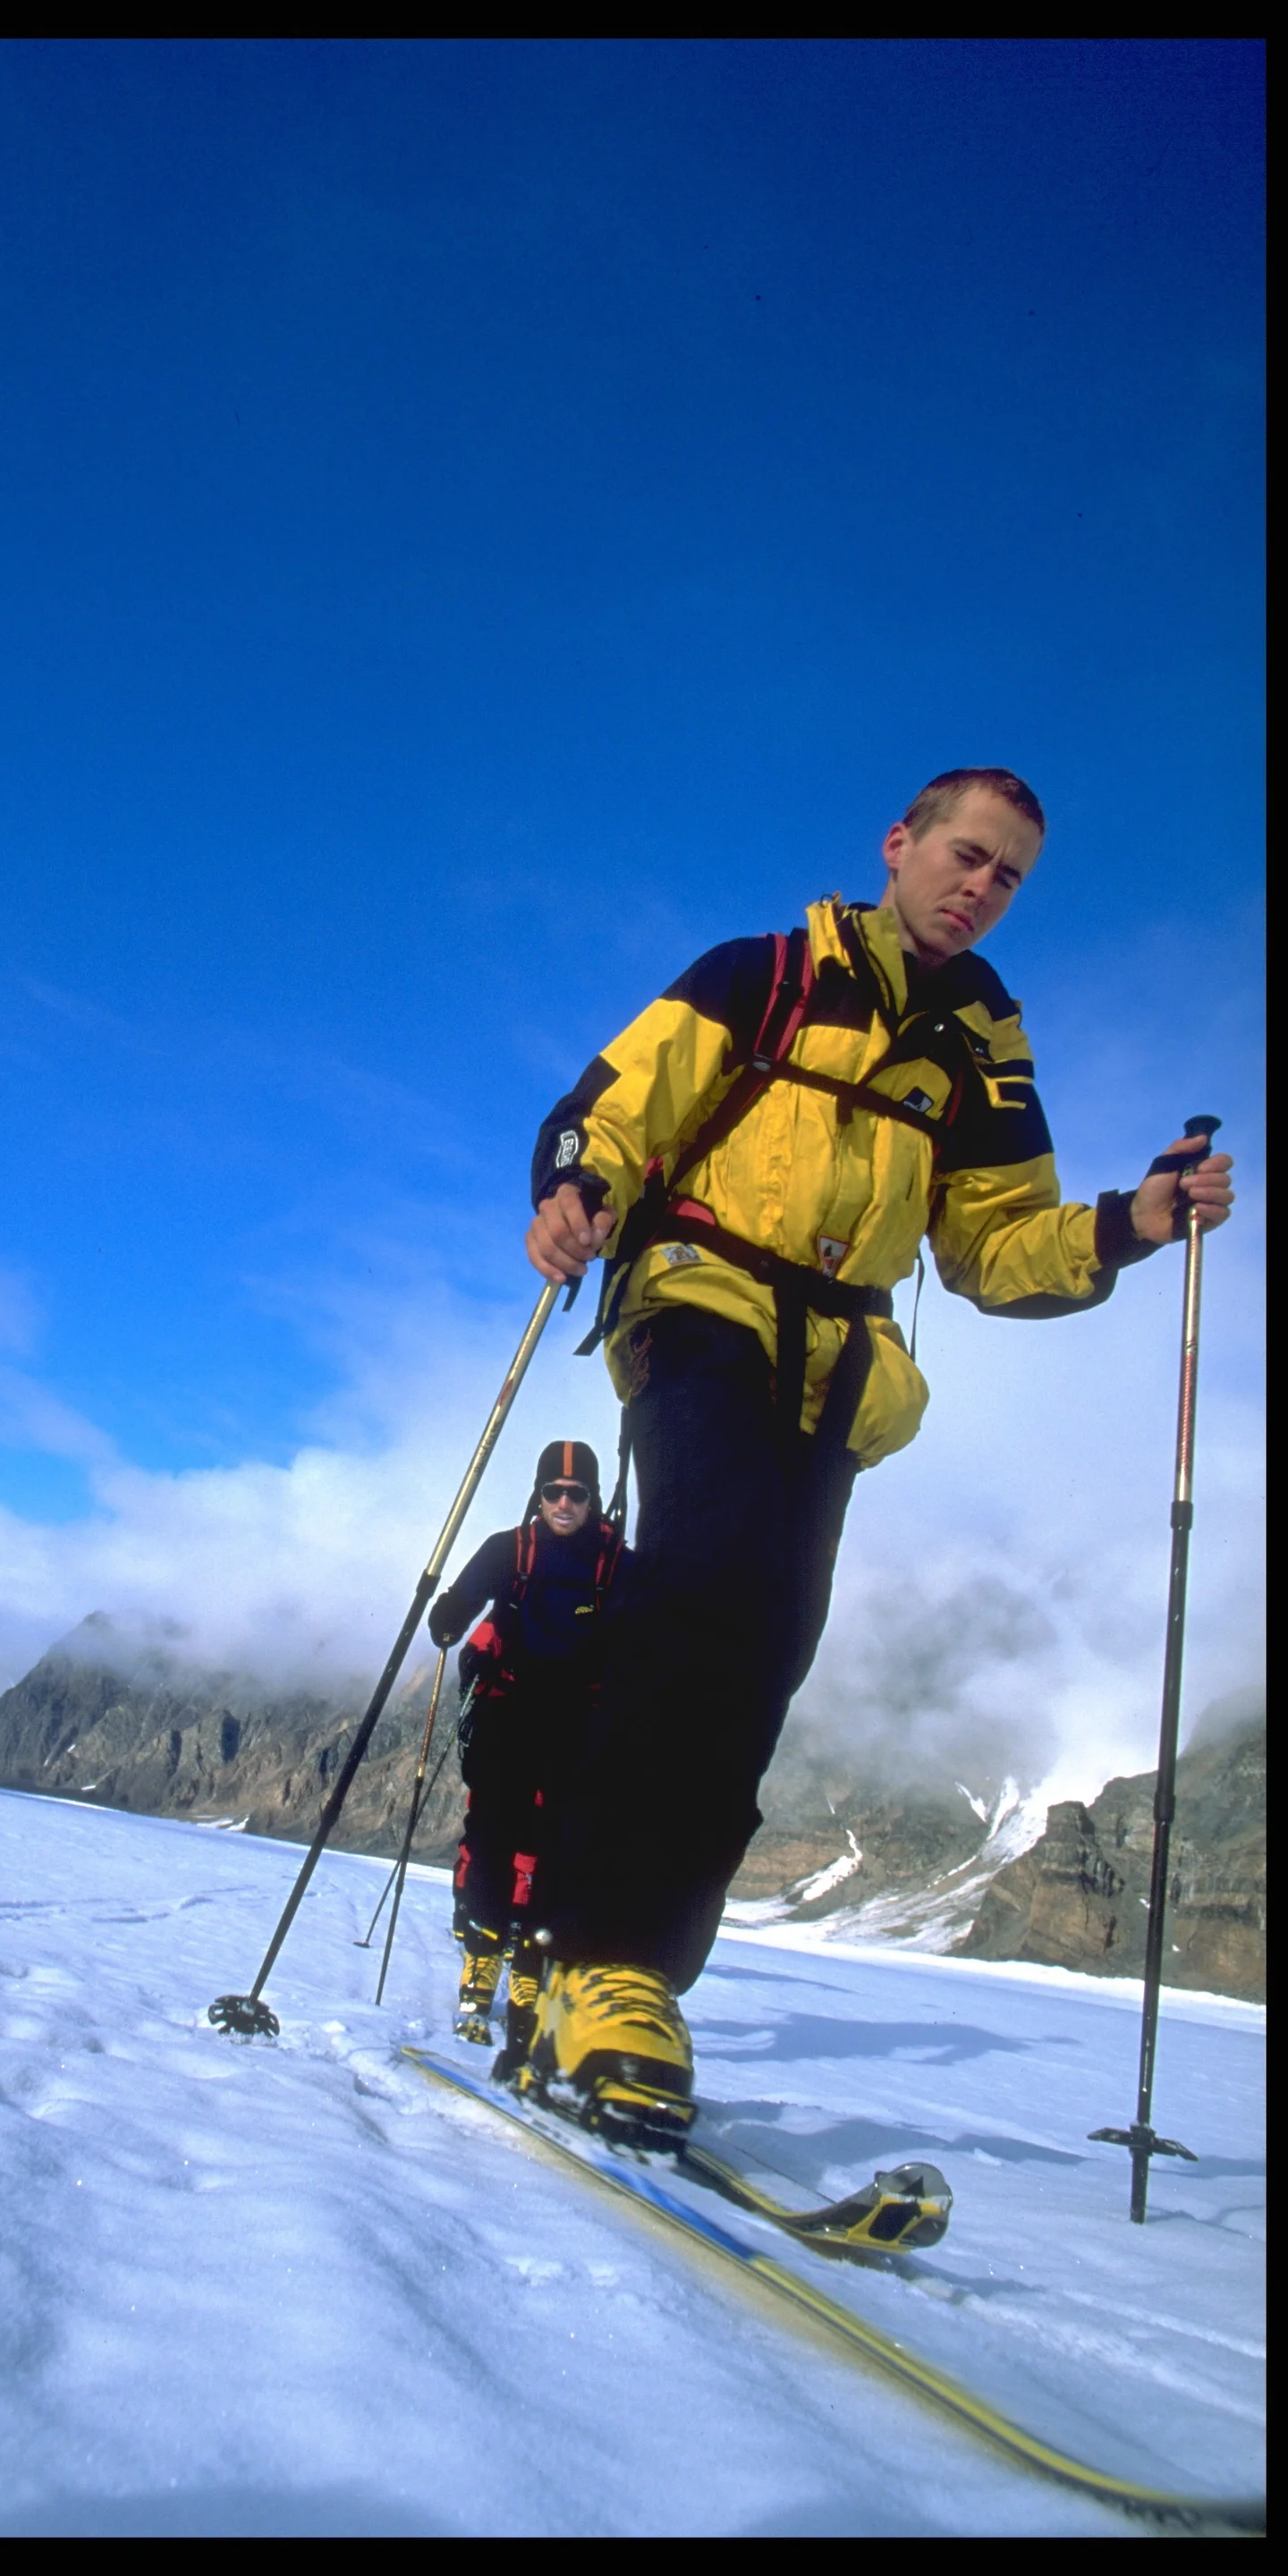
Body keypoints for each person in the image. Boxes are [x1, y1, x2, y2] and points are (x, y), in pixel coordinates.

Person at [516, 768, 1237, 2150]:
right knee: (703, 1586)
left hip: (840, 1368)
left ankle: (625, 1983)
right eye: (967, 856)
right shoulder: (767, 972)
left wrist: (1134, 1222)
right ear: (900, 846)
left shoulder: (983, 1044)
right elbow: (615, 1100)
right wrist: (577, 1186)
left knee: (767, 1647)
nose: (983, 888)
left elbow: (993, 1249)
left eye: (1010, 875)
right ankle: (599, 1957)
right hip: (702, 1303)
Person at [428, 1439, 627, 2075]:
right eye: (554, 1492)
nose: (564, 1504)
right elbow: (457, 1607)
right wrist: (445, 1616)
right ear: (538, 1495)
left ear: (594, 1501)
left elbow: (651, 1628)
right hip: (508, 1713)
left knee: (550, 1850)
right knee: (491, 1834)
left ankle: (529, 1968)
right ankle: (484, 1954)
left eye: (577, 1494)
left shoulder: (616, 1562)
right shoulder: (507, 1550)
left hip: (575, 1723)